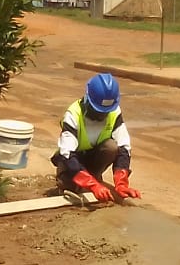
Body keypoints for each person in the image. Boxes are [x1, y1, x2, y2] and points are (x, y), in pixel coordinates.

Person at [50, 73, 141, 203]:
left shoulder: (114, 112)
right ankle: (80, 181)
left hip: (95, 157)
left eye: (106, 111)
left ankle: (94, 177)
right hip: (74, 159)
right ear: (87, 98)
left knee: (111, 147)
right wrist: (92, 184)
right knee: (70, 187)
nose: (102, 115)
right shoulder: (73, 114)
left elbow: (124, 148)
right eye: (99, 111)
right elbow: (67, 154)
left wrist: (121, 183)